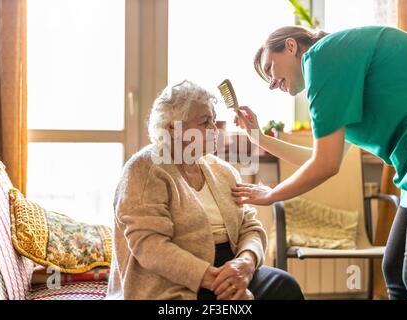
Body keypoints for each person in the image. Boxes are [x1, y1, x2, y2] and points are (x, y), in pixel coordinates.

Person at [232, 25, 407, 300]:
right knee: (395, 271)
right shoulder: (339, 67)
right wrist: (260, 139)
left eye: (270, 68)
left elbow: (325, 165)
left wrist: (271, 195)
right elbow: (319, 157)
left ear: (291, 46)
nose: (271, 82)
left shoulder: (321, 57)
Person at [106, 80, 304, 300]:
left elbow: (250, 226)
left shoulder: (222, 171)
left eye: (213, 120)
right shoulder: (145, 168)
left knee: (285, 286)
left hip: (232, 269)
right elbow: (149, 245)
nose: (214, 129)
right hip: (171, 279)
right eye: (204, 122)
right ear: (173, 127)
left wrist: (245, 264)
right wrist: (218, 281)